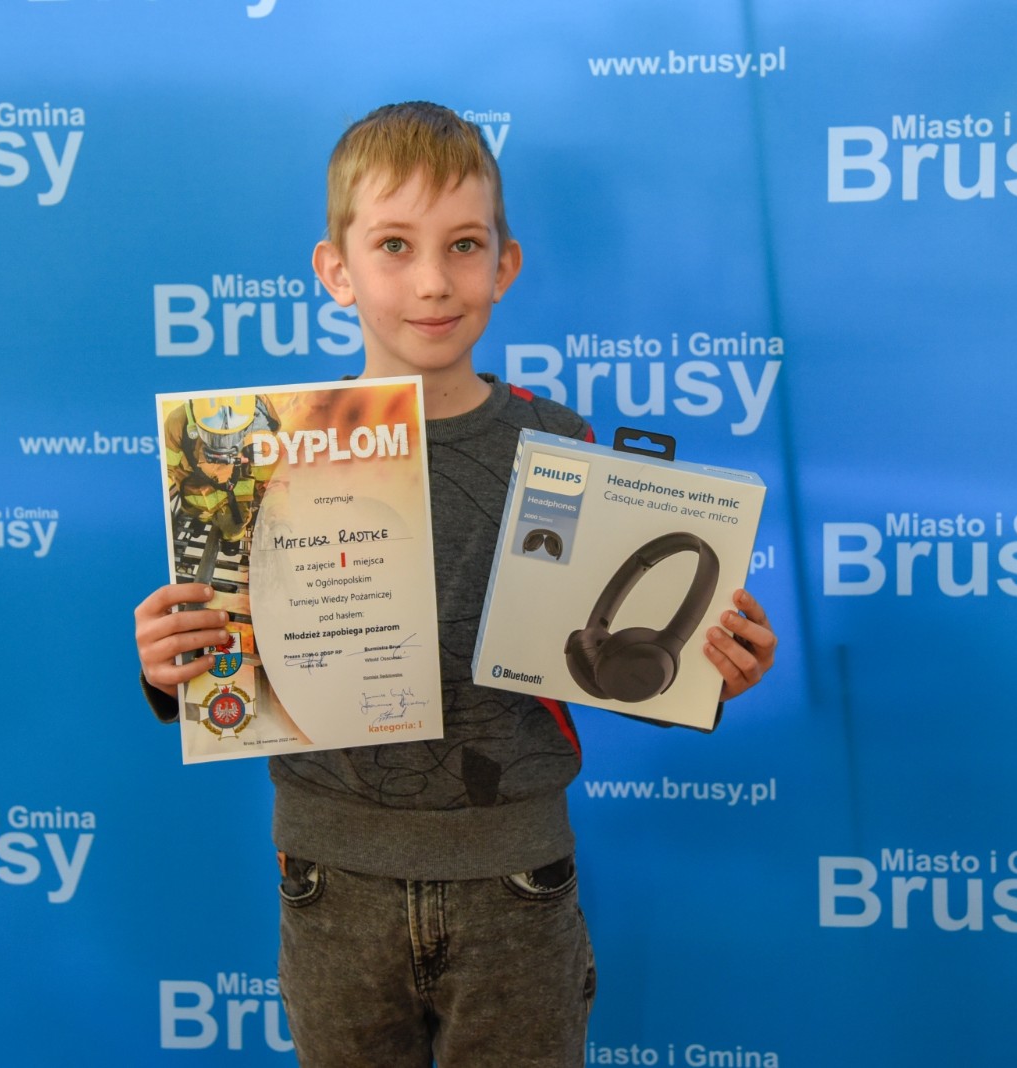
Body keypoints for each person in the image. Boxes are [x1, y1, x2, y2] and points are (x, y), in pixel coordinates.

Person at [134, 101, 777, 1068]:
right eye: (394, 245)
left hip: (517, 885)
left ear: (504, 266)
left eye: (464, 245)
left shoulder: (560, 444)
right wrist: (169, 666)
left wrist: (708, 672)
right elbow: (236, 667)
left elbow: (602, 660)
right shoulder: (264, 451)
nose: (433, 281)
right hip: (332, 883)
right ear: (336, 271)